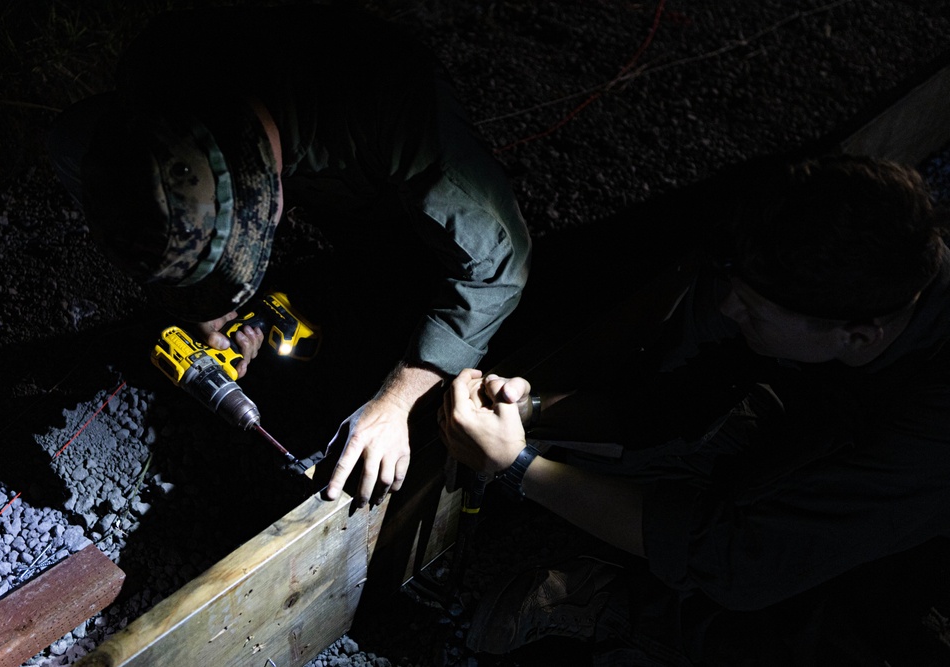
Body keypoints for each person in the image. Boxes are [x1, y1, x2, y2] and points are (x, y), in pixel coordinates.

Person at [440, 153, 950, 664]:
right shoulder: (804, 276)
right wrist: (530, 409)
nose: (731, 309)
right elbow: (676, 395)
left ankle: (621, 605)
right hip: (819, 435)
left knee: (815, 635)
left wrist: (519, 468)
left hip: (902, 555)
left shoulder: (926, 439)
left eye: (752, 312)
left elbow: (742, 556)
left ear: (858, 335)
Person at [47, 5, 531, 508]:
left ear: (273, 197)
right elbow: (69, 146)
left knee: (407, 283)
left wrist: (397, 401)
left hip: (382, 189)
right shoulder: (150, 87)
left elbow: (501, 264)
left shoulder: (393, 107)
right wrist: (203, 302)